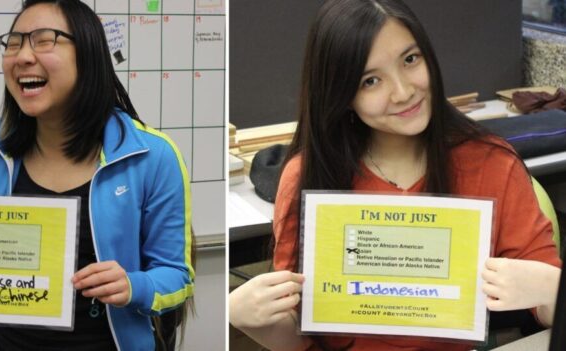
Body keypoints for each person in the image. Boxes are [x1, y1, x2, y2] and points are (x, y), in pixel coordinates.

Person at [227, 1, 562, 350]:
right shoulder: (308, 176)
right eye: (370, 81)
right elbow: (300, 339)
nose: (403, 92)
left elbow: (547, 314)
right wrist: (243, 315)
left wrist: (552, 288)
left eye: (410, 60)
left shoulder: (491, 164)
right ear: (341, 94)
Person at [0, 0, 194, 349]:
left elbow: (178, 278)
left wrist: (133, 287)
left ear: (88, 54)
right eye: (14, 42)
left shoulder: (152, 155)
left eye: (44, 40)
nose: (22, 56)